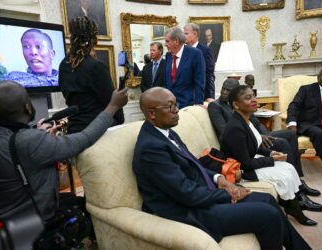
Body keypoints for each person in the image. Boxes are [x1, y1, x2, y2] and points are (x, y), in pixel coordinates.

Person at [133, 87, 311, 249]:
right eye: (169, 107)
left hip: (201, 195)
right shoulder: (151, 148)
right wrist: (229, 193)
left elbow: (194, 166)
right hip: (187, 210)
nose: (176, 110)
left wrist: (220, 179)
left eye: (176, 104)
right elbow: (185, 192)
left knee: (267, 200)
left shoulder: (166, 131)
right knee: (267, 215)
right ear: (152, 114)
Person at [0, 80, 128, 221]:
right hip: (34, 221)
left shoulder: (15, 137)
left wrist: (35, 132)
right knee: (87, 210)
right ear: (28, 108)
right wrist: (113, 105)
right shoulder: (30, 141)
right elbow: (84, 138)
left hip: (6, 219)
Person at [208, 79, 322, 212]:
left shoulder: (246, 104)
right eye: (223, 88)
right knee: (283, 143)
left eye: (228, 90)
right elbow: (224, 131)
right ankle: (299, 195)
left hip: (257, 136)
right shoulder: (216, 106)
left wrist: (264, 135)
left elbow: (256, 123)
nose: (224, 92)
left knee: (290, 135)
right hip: (242, 141)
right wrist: (257, 138)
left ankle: (299, 182)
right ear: (236, 103)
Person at [59, 16, 125, 134]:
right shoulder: (96, 66)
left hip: (74, 131)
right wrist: (120, 120)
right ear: (94, 40)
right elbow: (111, 101)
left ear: (72, 37)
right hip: (97, 131)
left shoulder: (63, 65)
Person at [164, 27, 205, 109]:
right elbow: (167, 80)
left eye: (167, 41)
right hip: (170, 105)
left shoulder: (195, 54)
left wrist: (198, 104)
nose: (165, 44)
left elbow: (200, 81)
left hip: (188, 104)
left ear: (176, 41)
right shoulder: (168, 55)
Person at [184, 23, 215, 102]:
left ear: (195, 34)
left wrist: (210, 95)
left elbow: (209, 74)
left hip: (200, 95)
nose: (184, 36)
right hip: (185, 96)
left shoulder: (205, 50)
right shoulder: (182, 51)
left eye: (186, 33)